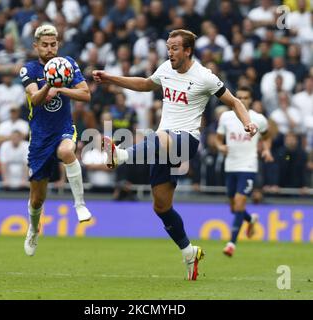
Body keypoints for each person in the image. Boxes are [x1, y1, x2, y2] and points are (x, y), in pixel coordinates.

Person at [92, 29, 258, 280]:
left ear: (188, 50)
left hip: (186, 140)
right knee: (161, 206)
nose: (170, 52)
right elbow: (146, 84)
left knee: (160, 135)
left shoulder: (205, 77)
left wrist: (248, 123)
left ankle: (121, 155)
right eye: (168, 48)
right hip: (163, 144)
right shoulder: (166, 69)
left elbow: (234, 101)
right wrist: (110, 78)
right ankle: (189, 251)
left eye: (175, 48)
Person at [19, 24, 92, 256]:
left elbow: (86, 94)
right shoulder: (28, 69)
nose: (49, 49)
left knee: (68, 151)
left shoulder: (67, 64)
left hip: (63, 128)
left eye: (53, 44)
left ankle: (79, 205)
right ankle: (33, 228)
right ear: (36, 46)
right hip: (40, 137)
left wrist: (61, 89)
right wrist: (50, 83)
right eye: (45, 45)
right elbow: (36, 99)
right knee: (37, 199)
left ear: (57, 44)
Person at [216, 86, 273, 257]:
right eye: (238, 96)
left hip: (248, 166)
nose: (242, 99)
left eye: (245, 97)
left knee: (240, 203)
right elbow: (218, 139)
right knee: (234, 208)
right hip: (230, 166)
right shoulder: (226, 117)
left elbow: (267, 136)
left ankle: (231, 243)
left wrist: (267, 150)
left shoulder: (258, 119)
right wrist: (220, 147)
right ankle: (250, 219)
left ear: (251, 100)